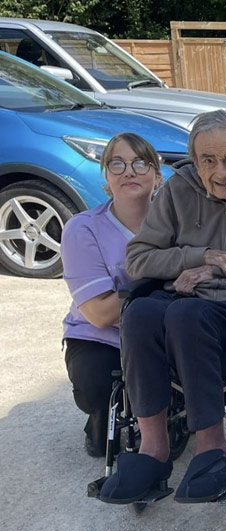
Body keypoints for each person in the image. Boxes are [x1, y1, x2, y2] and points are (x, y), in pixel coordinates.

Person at [97, 110, 226, 504]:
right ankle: (153, 451)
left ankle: (213, 448)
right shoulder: (178, 190)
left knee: (185, 314)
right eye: (208, 161)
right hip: (183, 297)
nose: (222, 171)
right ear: (194, 163)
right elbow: (139, 259)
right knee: (140, 312)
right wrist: (202, 257)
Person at [61, 132, 163, 458]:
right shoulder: (83, 229)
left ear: (157, 175)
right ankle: (99, 420)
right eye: (117, 163)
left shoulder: (175, 223)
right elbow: (100, 314)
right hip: (101, 338)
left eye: (140, 163)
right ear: (106, 177)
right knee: (96, 386)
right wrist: (160, 276)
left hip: (158, 332)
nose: (128, 171)